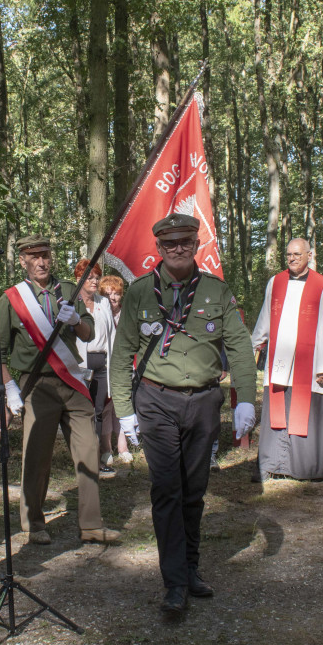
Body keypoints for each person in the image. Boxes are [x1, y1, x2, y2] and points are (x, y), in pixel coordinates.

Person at [110, 213, 256, 614]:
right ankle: (173, 581)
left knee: (194, 490)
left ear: (196, 245)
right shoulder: (140, 292)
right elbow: (121, 355)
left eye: (185, 243)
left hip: (205, 401)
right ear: (158, 248)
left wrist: (246, 397)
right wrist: (124, 411)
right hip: (156, 401)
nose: (178, 249)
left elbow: (240, 347)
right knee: (166, 490)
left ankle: (191, 569)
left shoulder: (216, 291)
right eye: (170, 244)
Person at [0, 235, 120, 546]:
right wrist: (9, 387)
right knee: (37, 456)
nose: (41, 261)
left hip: (72, 380)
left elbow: (89, 331)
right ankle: (33, 522)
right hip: (36, 383)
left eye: (45, 255)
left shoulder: (69, 289)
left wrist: (76, 319)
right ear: (23, 260)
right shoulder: (11, 299)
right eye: (33, 256)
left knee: (89, 449)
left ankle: (91, 524)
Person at [251, 238, 323, 481]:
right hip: (278, 360)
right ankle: (272, 464)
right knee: (277, 409)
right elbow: (266, 315)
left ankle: (307, 468)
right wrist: (255, 342)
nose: (293, 258)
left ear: (309, 255)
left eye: (297, 254)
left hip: (309, 364)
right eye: (289, 254)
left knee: (306, 411)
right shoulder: (275, 282)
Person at [73, 259, 116, 477]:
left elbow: (112, 334)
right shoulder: (73, 303)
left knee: (99, 412)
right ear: (78, 279)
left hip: (102, 364)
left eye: (96, 277)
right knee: (83, 412)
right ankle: (83, 459)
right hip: (80, 364)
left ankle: (98, 459)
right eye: (89, 277)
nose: (94, 280)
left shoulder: (104, 302)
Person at [97, 274, 132, 467]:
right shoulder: (98, 313)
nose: (112, 297)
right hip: (103, 367)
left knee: (122, 405)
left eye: (116, 293)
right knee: (105, 407)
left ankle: (123, 447)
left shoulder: (127, 314)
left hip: (125, 367)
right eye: (108, 293)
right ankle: (106, 449)